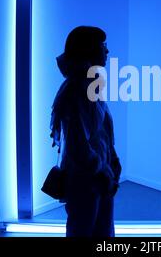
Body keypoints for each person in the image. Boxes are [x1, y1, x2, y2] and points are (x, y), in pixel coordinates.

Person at [50, 26, 122, 237]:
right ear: (88, 50)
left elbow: (102, 134)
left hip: (98, 178)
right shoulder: (75, 91)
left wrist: (112, 162)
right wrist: (103, 170)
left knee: (99, 230)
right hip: (86, 181)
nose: (107, 51)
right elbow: (77, 145)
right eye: (102, 46)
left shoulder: (89, 87)